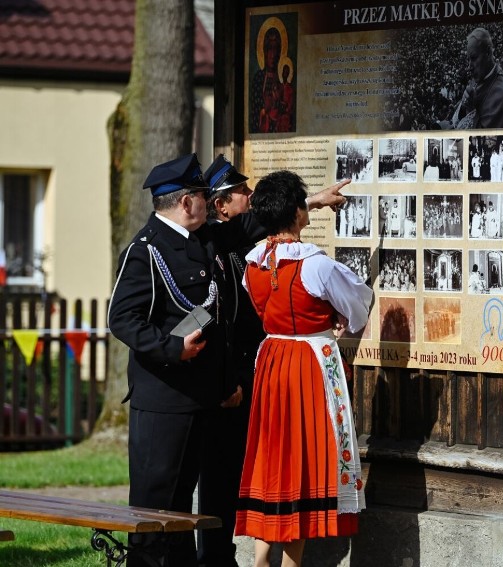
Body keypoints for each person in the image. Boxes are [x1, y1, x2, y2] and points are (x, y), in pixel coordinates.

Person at [108, 153, 347, 566]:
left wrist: (314, 202)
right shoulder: (146, 250)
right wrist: (172, 347)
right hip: (163, 402)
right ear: (187, 203)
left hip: (202, 400)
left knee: (186, 514)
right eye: (203, 195)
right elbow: (121, 318)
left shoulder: (203, 239)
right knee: (154, 508)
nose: (210, 202)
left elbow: (248, 225)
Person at [234, 170, 372, 567]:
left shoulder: (253, 263)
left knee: (274, 452)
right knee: (303, 456)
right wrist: (341, 321)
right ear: (298, 211)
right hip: (310, 363)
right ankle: (292, 562)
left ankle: (262, 556)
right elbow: (360, 303)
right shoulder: (316, 265)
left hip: (273, 359)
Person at [196, 155, 265, 567]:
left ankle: (220, 555)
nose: (250, 196)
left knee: (232, 472)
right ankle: (214, 557)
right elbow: (207, 316)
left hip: (242, 372)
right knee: (218, 475)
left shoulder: (235, 247)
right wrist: (224, 380)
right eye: (242, 192)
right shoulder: (213, 247)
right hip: (225, 380)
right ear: (221, 206)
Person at [452, 27, 503, 130]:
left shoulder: (501, 96)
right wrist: (465, 106)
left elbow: (487, 142)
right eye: (468, 60)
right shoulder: (482, 77)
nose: (469, 67)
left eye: (474, 58)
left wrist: (470, 111)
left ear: (487, 53)